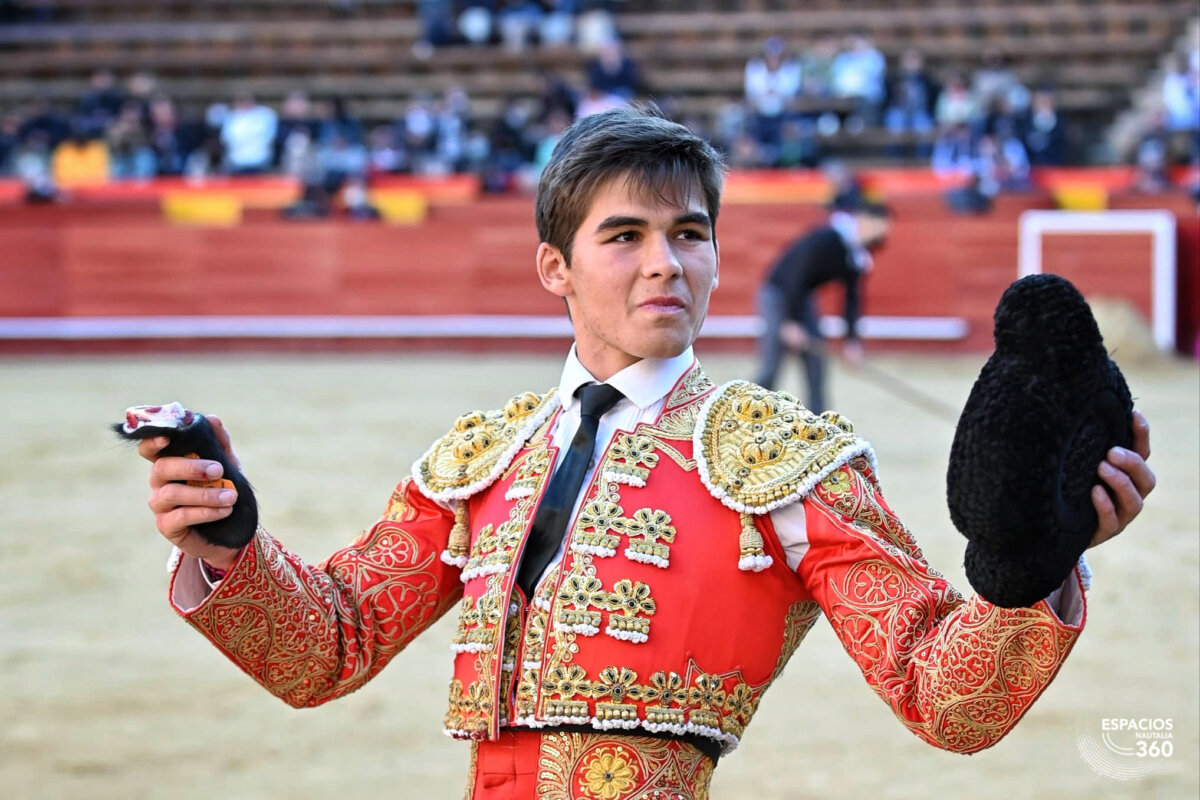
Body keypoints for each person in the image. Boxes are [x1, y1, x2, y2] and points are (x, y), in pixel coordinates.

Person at [128, 106, 1154, 799]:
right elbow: (326, 647)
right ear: (555, 267)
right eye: (624, 235)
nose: (666, 261)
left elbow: (946, 696)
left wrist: (1032, 564)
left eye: (690, 232)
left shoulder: (790, 461)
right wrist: (229, 544)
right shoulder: (481, 458)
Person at [754, 202, 889, 413]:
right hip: (779, 294)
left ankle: (819, 423)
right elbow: (794, 276)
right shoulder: (827, 239)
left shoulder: (855, 254)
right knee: (772, 366)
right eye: (877, 228)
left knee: (816, 363)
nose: (878, 236)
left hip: (803, 298)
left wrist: (851, 341)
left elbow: (851, 299)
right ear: (863, 221)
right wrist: (791, 322)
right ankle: (747, 417)